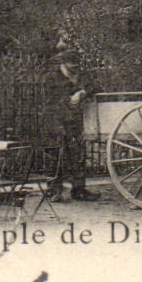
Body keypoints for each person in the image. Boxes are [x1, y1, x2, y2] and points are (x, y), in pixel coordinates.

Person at [52, 34, 101, 202]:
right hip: (57, 120)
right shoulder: (53, 77)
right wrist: (68, 99)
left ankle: (79, 190)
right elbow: (50, 100)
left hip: (76, 121)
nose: (75, 70)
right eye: (71, 67)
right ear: (62, 64)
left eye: (77, 66)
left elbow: (95, 86)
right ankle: (55, 191)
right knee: (58, 155)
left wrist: (82, 92)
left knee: (78, 155)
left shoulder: (80, 75)